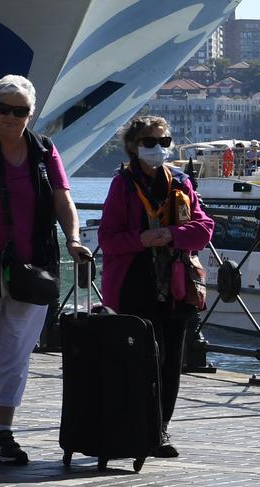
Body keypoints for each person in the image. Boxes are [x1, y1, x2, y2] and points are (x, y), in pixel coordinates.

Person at [0, 74, 91, 465]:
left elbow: (63, 200)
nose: (10, 116)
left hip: (30, 272)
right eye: (3, 109)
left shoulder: (44, 150)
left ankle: (0, 435)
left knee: (15, 354)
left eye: (19, 110)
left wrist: (73, 238)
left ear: (31, 113)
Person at [98, 115, 214, 458]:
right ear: (134, 146)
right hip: (135, 283)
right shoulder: (122, 185)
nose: (159, 149)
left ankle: (159, 431)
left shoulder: (180, 181)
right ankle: (135, 428)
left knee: (170, 361)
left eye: (164, 142)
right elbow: (108, 239)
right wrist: (142, 239)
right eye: (151, 142)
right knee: (142, 358)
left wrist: (172, 234)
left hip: (177, 285)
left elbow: (204, 227)